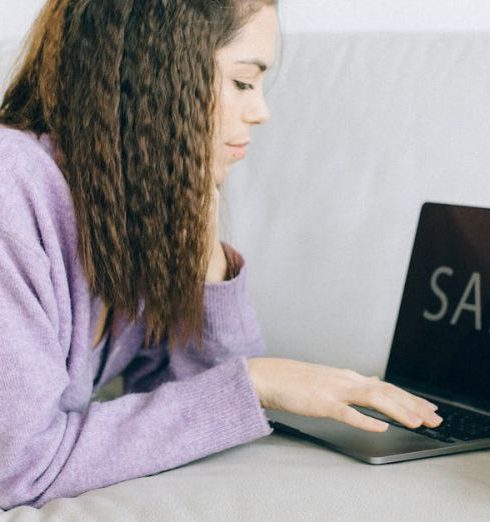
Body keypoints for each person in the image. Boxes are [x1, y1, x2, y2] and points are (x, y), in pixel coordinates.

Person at [0, 0, 442, 510]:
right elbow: (19, 466)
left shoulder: (120, 204)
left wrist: (198, 231)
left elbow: (189, 392)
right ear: (154, 75)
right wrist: (256, 383)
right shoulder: (14, 189)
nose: (261, 111)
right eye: (242, 82)